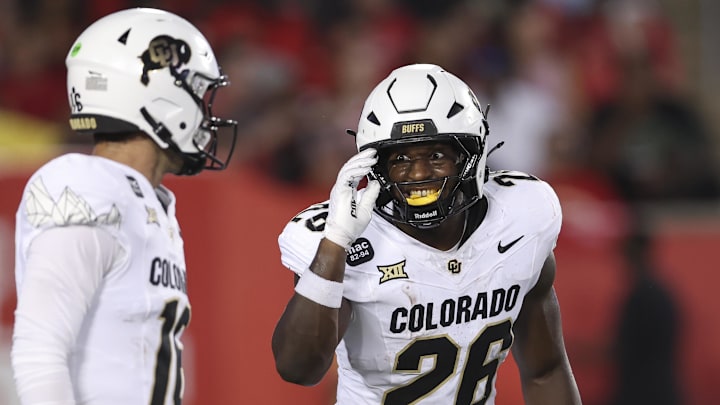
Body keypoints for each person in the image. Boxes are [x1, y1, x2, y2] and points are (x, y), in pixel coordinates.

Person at [272, 63, 581, 404]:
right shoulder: (343, 239)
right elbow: (299, 368)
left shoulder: (520, 215)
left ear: (470, 156)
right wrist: (334, 244)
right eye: (401, 158)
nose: (418, 174)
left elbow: (546, 369)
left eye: (436, 155)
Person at [11, 8, 237, 404]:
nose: (206, 114)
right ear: (158, 94)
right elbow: (40, 349)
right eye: (198, 96)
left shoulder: (150, 202)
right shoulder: (86, 185)